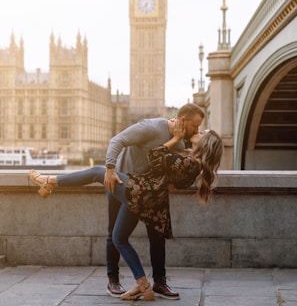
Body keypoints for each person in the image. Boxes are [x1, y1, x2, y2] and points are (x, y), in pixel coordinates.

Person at [29, 128, 223, 301]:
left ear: (206, 144)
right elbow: (170, 180)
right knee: (119, 237)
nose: (199, 131)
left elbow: (154, 155)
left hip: (139, 191)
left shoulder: (189, 163)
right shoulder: (194, 167)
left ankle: (50, 180)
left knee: (99, 171)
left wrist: (174, 139)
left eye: (203, 133)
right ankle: (143, 284)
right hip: (149, 199)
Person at [103, 103, 205, 300]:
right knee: (114, 232)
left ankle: (159, 282)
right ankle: (113, 280)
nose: (197, 130)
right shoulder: (150, 128)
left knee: (157, 235)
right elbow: (117, 140)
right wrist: (109, 169)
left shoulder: (180, 143)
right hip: (121, 182)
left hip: (149, 190)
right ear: (183, 121)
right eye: (195, 126)